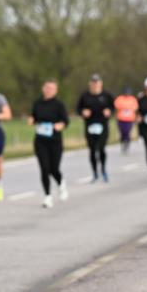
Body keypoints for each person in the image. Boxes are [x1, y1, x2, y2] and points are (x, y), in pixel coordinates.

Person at [29, 79, 69, 208]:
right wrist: (31, 120)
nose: (49, 90)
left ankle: (61, 184)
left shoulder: (59, 104)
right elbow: (33, 116)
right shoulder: (38, 103)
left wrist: (60, 125)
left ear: (56, 90)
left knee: (54, 168)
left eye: (52, 88)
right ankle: (47, 196)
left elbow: (65, 121)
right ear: (43, 88)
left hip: (55, 141)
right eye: (47, 88)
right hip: (41, 141)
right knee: (44, 168)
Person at [75, 73, 114, 183]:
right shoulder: (85, 96)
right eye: (93, 82)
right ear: (90, 84)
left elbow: (113, 107)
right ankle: (95, 172)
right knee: (92, 150)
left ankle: (103, 170)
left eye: (97, 82)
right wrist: (83, 112)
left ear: (101, 83)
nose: (95, 84)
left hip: (103, 126)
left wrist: (109, 112)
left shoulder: (106, 95)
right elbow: (78, 109)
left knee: (101, 149)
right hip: (90, 126)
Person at [114, 86, 138, 153]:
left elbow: (135, 107)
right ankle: (122, 142)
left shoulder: (133, 99)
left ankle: (127, 143)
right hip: (121, 118)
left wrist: (128, 108)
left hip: (130, 119)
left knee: (127, 131)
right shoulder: (119, 99)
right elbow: (116, 106)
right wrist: (125, 108)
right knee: (122, 132)